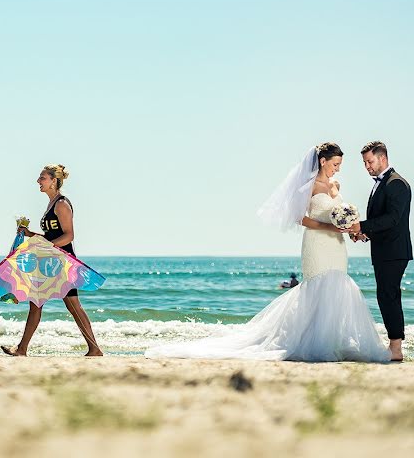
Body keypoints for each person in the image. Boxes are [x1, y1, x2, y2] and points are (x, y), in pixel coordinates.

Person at [146, 143, 390, 362]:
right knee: (318, 287)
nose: (337, 169)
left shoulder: (336, 185)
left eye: (340, 165)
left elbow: (341, 215)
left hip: (337, 246)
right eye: (335, 164)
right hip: (317, 243)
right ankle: (312, 343)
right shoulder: (309, 186)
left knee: (337, 287)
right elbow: (299, 218)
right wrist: (330, 226)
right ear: (323, 161)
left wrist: (351, 230)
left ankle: (333, 342)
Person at [1, 164, 103, 357]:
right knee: (36, 301)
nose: (38, 181)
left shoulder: (62, 204)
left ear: (53, 181)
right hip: (50, 262)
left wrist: (46, 247)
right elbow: (52, 234)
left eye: (42, 178)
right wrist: (31, 234)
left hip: (62, 261)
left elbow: (69, 236)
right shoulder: (51, 203)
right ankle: (22, 349)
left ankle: (95, 348)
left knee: (72, 304)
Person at [347, 141, 412, 362]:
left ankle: (396, 348)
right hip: (385, 249)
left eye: (370, 161)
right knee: (385, 296)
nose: (367, 166)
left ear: (382, 158)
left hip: (394, 251)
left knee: (389, 296)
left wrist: (362, 226)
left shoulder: (396, 184)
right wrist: (364, 234)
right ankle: (394, 346)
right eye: (364, 162)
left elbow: (393, 219)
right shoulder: (381, 183)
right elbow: (382, 222)